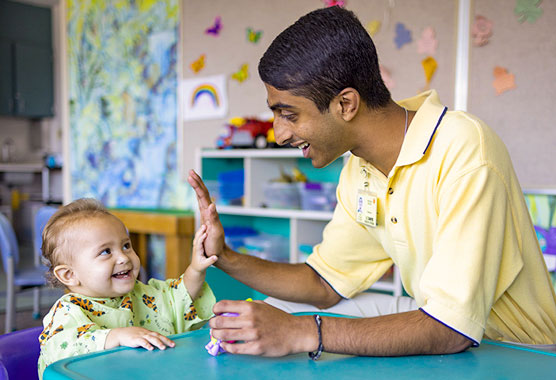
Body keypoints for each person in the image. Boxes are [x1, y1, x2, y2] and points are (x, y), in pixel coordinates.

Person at [187, 6, 556, 359]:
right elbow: (323, 284)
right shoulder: (360, 169)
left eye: (289, 115)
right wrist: (226, 257)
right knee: (281, 309)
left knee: (298, 326)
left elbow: (451, 328)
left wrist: (303, 333)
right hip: (443, 323)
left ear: (346, 104)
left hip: (513, 349)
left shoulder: (464, 149)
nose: (278, 133)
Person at [37, 198, 217, 378]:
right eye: (106, 251)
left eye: (126, 245)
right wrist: (115, 336)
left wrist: (196, 268)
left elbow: (180, 297)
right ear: (69, 275)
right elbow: (60, 350)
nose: (124, 257)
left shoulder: (142, 294)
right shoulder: (68, 312)